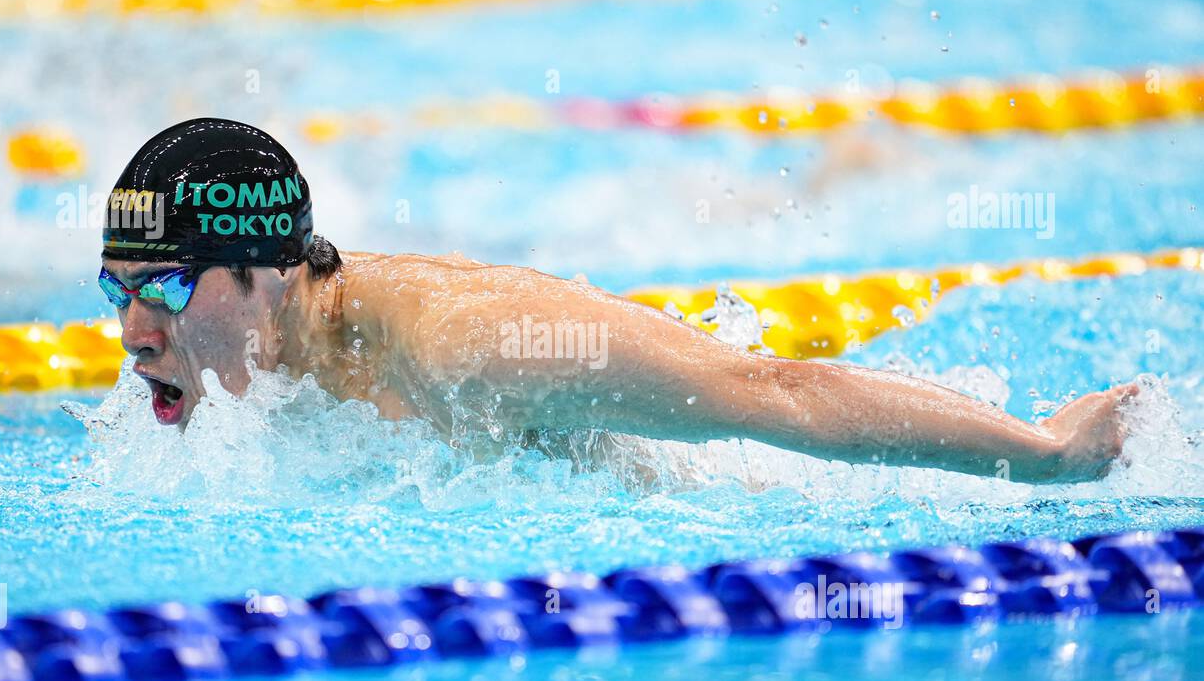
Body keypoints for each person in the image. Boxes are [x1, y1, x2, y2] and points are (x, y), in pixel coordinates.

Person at [99, 117, 1136, 483]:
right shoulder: (251, 370)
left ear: (270, 270)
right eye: (119, 292)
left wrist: (1044, 454)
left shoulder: (464, 343)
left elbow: (767, 390)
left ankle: (863, 162)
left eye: (169, 289)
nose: (134, 332)